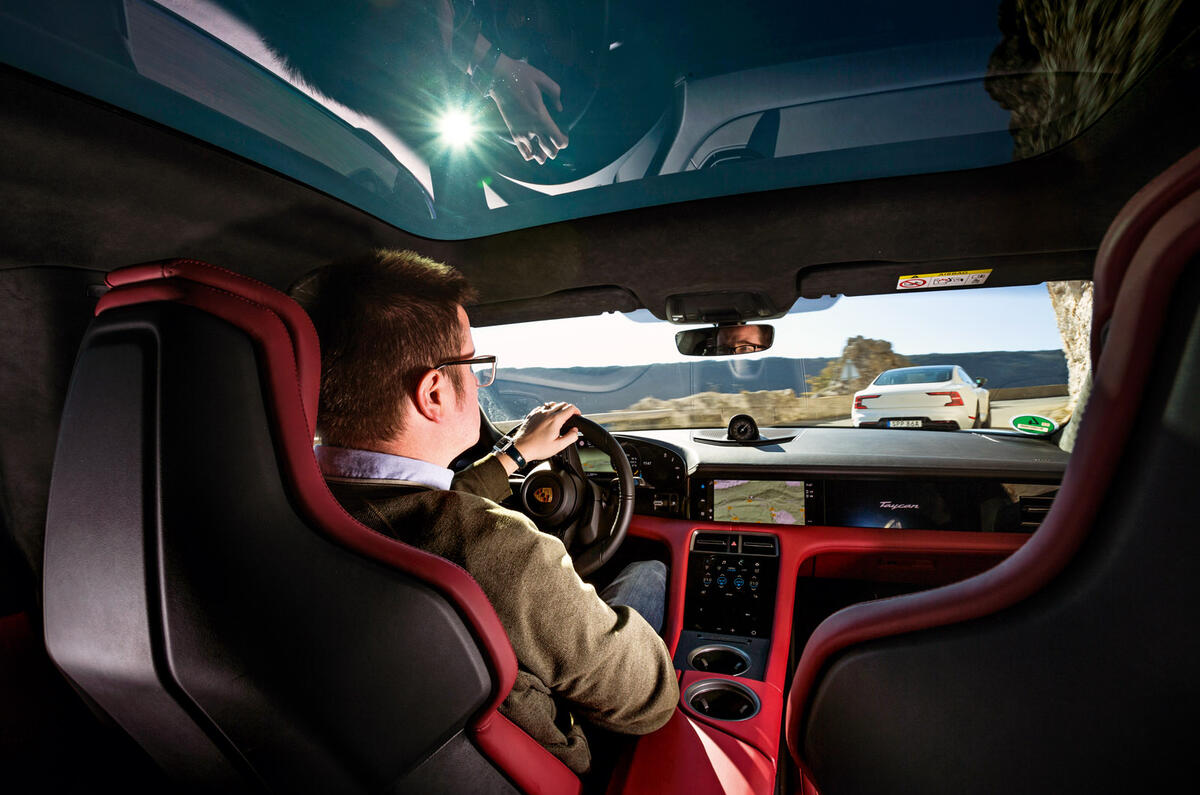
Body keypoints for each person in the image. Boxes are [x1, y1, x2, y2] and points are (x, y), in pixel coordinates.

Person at [291, 249, 677, 775]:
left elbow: (420, 505)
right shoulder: (502, 550)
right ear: (432, 392)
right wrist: (574, 596)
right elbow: (647, 703)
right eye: (473, 364)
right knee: (649, 573)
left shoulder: (292, 501)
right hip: (550, 763)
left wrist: (515, 457)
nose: (477, 380)